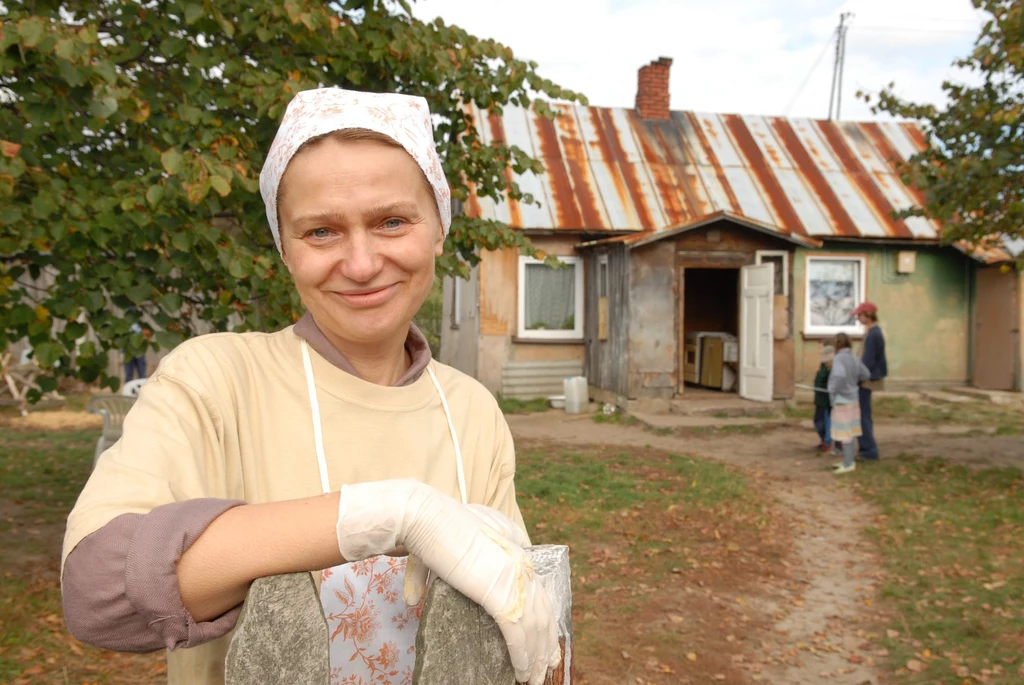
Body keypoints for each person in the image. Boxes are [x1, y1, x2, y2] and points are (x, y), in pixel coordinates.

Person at [61, 89, 561, 685]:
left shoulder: (471, 411)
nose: (360, 262)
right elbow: (96, 596)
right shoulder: (215, 382)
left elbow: (519, 622)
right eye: (321, 232)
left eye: (392, 222)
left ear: (439, 230)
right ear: (285, 250)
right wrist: (390, 514)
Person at [827, 333, 871, 474]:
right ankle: (848, 459)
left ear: (837, 344)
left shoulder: (839, 358)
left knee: (844, 433)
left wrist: (832, 389)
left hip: (842, 401)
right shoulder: (854, 358)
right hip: (854, 399)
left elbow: (838, 375)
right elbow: (866, 374)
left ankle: (848, 464)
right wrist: (853, 381)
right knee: (850, 432)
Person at [852, 301, 887, 460]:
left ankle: (868, 451)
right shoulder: (872, 332)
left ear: (868, 315)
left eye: (859, 315)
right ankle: (867, 449)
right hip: (867, 377)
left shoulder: (873, 334)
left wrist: (856, 377)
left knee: (862, 415)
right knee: (864, 414)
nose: (858, 318)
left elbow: (868, 361)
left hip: (866, 379)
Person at [812, 344, 835, 453]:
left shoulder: (830, 368)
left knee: (825, 422)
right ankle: (823, 439)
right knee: (817, 420)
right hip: (819, 399)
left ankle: (827, 441)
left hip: (826, 401)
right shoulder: (822, 366)